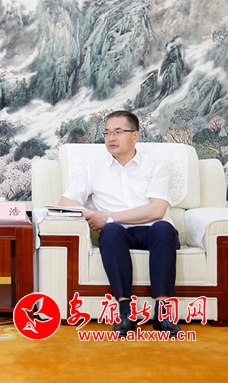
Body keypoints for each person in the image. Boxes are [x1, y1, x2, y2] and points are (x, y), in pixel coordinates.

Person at [58, 110, 182, 337]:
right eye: (107, 133)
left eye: (118, 132)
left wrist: (108, 216)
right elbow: (65, 201)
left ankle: (164, 314)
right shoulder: (95, 167)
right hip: (119, 235)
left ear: (135, 135)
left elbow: (157, 210)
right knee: (111, 231)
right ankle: (125, 312)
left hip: (154, 233)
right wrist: (93, 215)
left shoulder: (155, 166)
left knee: (163, 227)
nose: (111, 138)